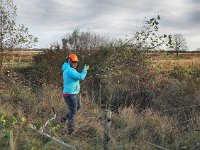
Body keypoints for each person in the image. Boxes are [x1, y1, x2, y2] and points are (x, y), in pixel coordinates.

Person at [61, 53, 89, 134]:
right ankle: (70, 131)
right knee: (73, 112)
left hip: (74, 93)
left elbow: (78, 77)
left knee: (78, 107)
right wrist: (85, 70)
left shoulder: (70, 69)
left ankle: (63, 119)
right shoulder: (69, 70)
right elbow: (81, 77)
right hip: (70, 94)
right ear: (69, 61)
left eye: (76, 62)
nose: (75, 64)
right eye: (74, 62)